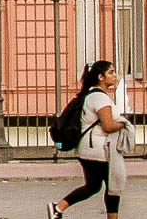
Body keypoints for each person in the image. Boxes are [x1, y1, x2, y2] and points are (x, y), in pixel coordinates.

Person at [49, 60, 130, 219]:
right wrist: (123, 123)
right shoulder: (100, 98)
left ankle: (58, 208)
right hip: (98, 150)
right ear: (101, 77)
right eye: (111, 72)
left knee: (93, 186)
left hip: (87, 149)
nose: (115, 75)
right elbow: (108, 126)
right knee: (112, 187)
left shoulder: (89, 95)